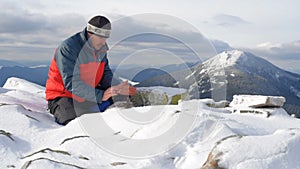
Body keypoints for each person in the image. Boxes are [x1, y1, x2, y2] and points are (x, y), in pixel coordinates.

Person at [45, 15, 136, 125]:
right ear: (90, 33)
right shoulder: (68, 48)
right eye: (101, 37)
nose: (104, 42)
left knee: (123, 97)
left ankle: (96, 109)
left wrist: (118, 87)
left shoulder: (100, 48)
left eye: (106, 38)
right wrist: (100, 95)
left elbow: (105, 74)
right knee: (74, 122)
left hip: (89, 93)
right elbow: (71, 84)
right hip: (64, 96)